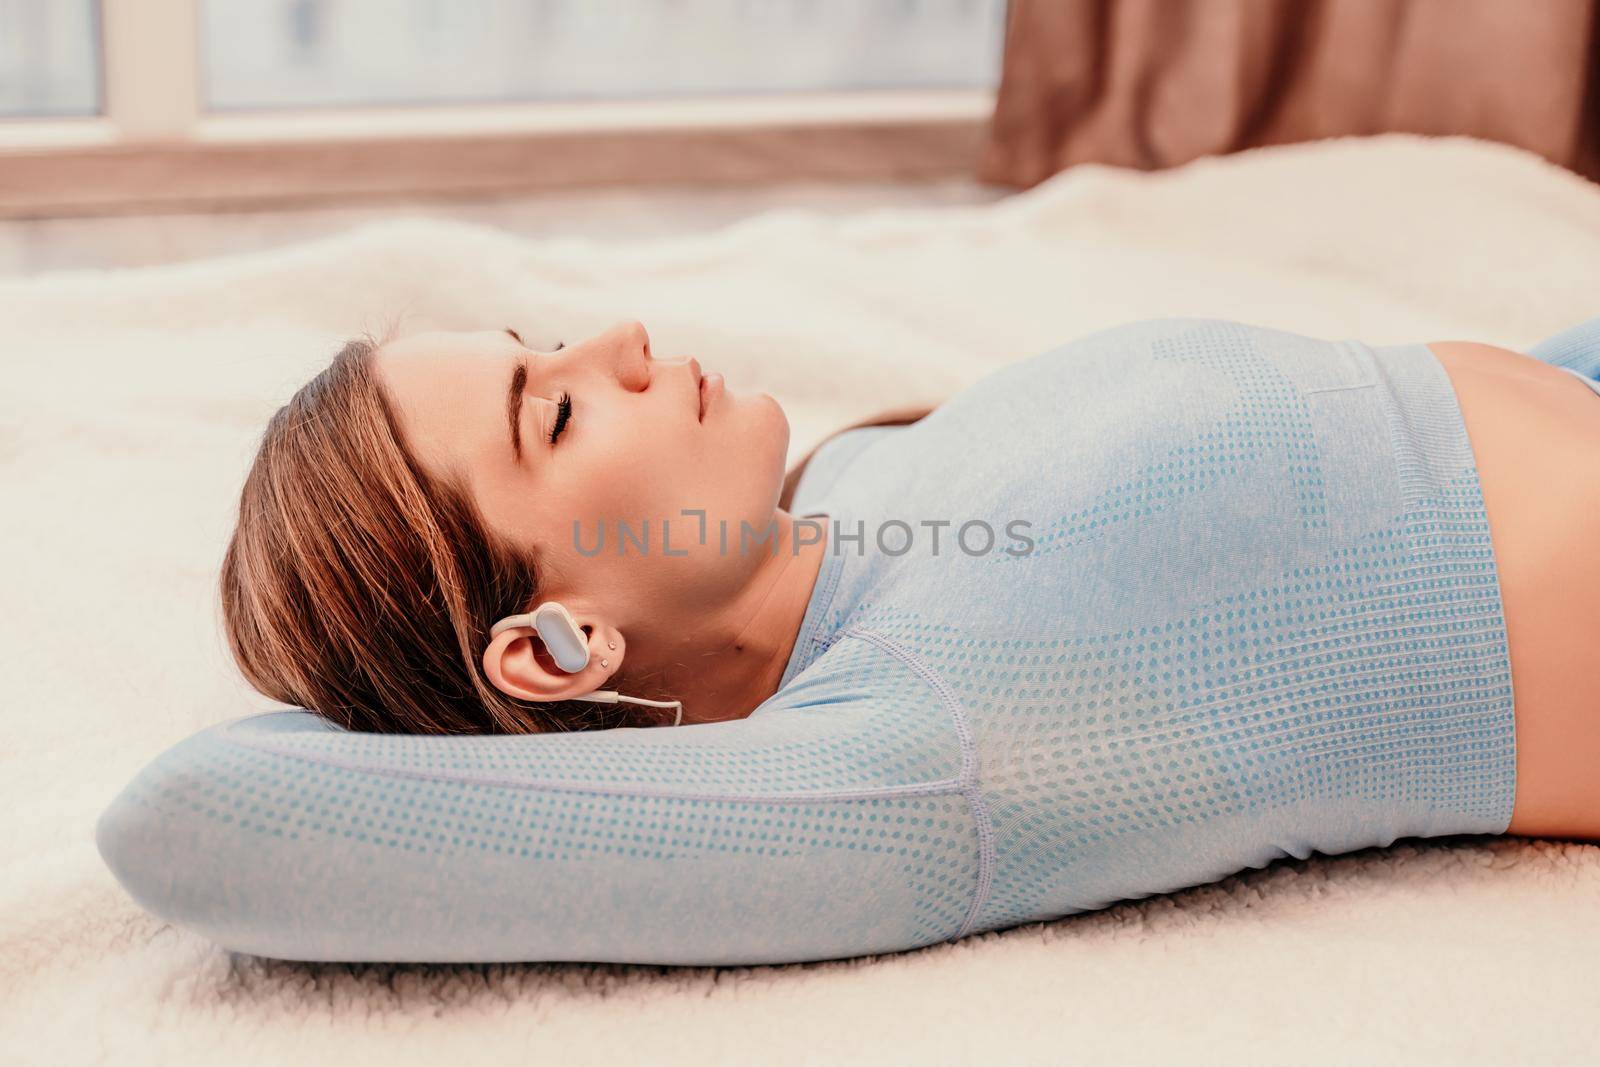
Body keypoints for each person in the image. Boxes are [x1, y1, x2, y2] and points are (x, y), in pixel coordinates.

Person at [219, 314, 1600, 860]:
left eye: (551, 343)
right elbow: (207, 821)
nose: (623, 339)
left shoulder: (843, 494)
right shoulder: (904, 745)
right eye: (557, 415)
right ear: (561, 648)